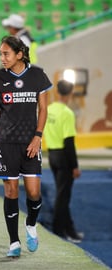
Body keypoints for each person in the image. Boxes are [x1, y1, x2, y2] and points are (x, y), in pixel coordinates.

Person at [0, 35, 52, 258]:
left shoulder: (38, 75)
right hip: (5, 142)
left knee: (34, 192)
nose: (2, 58)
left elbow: (43, 109)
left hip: (30, 142)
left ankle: (31, 224)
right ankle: (14, 242)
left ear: (19, 54)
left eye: (6, 54)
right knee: (10, 190)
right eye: (0, 53)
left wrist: (38, 137)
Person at [44, 79, 83, 243]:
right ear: (70, 93)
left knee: (62, 194)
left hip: (52, 155)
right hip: (64, 158)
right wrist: (74, 166)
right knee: (63, 196)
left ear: (57, 92)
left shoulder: (49, 110)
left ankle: (69, 229)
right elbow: (69, 143)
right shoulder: (67, 113)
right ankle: (59, 230)